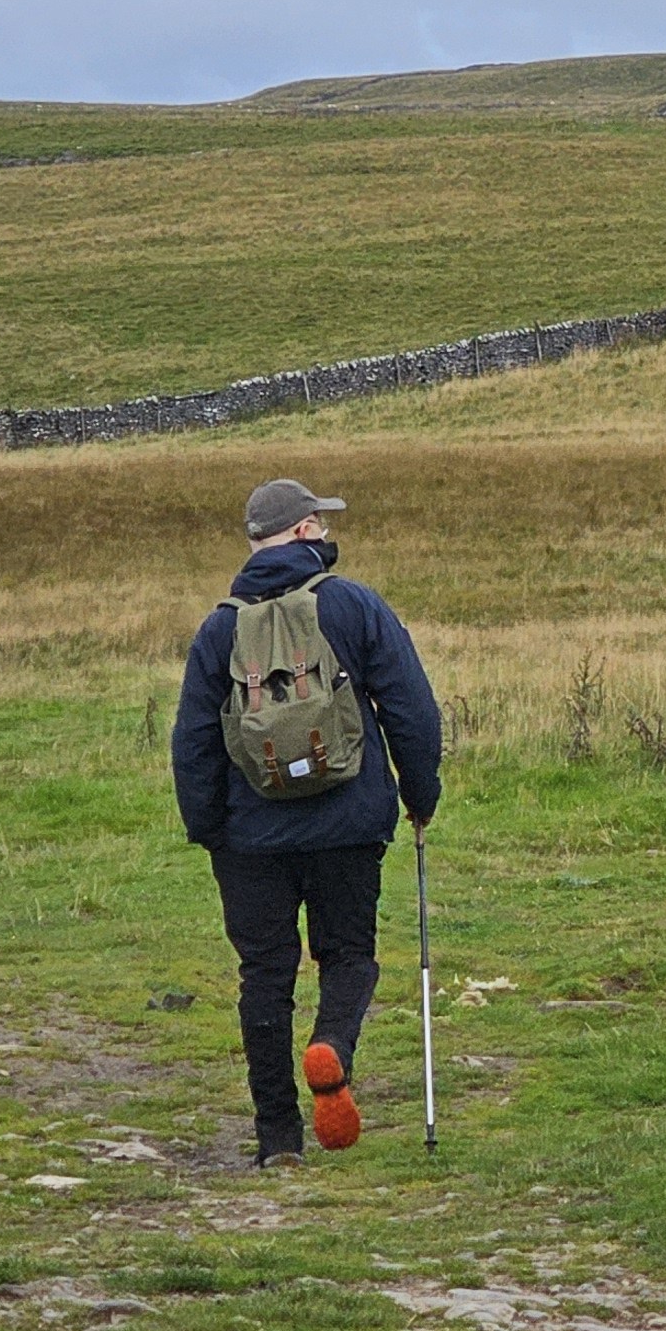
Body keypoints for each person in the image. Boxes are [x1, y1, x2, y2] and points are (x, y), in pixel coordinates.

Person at [172, 478, 443, 1166]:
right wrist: (419, 794)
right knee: (347, 953)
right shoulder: (352, 605)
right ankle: (332, 1049)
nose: (326, 531)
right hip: (349, 822)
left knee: (264, 973)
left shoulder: (219, 628)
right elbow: (411, 707)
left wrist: (210, 829)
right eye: (318, 523)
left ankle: (278, 1141)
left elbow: (194, 740)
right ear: (298, 533)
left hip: (250, 837)